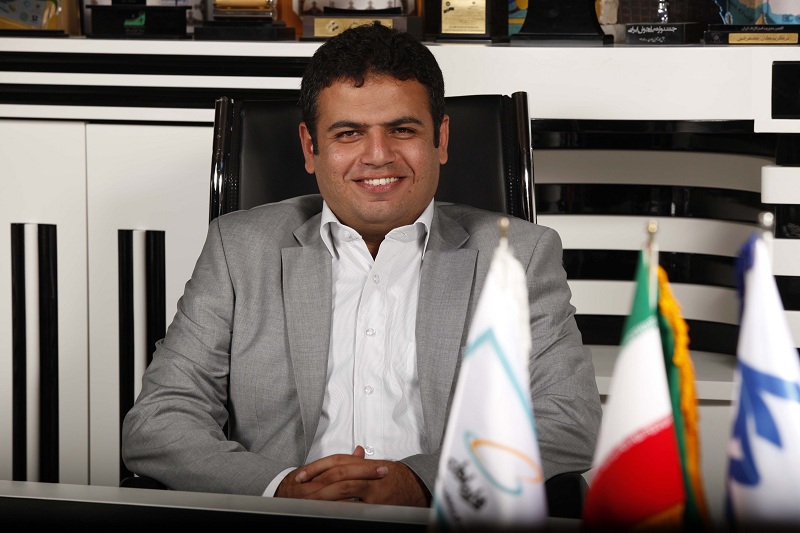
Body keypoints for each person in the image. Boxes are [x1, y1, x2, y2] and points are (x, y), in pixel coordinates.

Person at [121, 22, 601, 508]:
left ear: (441, 139)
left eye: (402, 130)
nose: (378, 156)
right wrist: (283, 487)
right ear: (311, 147)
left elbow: (567, 422)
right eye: (349, 133)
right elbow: (159, 419)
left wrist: (419, 482)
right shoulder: (239, 250)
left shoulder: (520, 255)